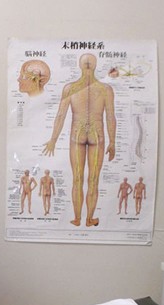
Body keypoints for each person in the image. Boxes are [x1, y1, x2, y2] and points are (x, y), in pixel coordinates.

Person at [43, 53, 116, 227]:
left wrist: (53, 139)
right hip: (97, 135)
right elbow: (110, 117)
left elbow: (60, 115)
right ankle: (89, 219)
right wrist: (112, 142)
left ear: (79, 65)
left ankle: (77, 218)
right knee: (93, 180)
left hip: (77, 134)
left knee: (77, 179)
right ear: (95, 65)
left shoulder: (70, 88)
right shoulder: (105, 89)